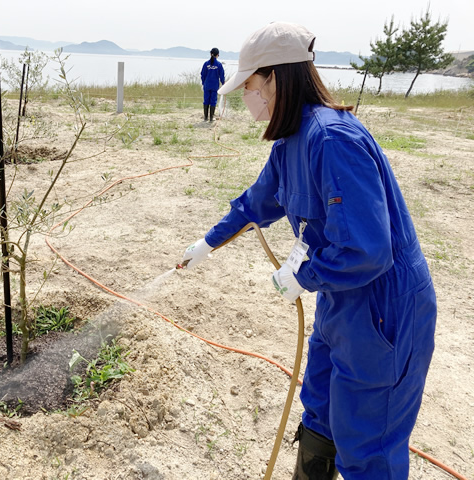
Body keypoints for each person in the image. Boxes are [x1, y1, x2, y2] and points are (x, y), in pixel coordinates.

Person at [181, 22, 436, 480]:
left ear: (276, 78)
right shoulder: (292, 142)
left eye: (252, 87)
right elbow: (257, 202)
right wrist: (207, 243)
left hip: (383, 310)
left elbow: (366, 250)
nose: (248, 99)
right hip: (341, 303)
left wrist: (303, 276)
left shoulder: (332, 140)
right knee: (319, 406)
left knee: (367, 447)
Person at [201, 47, 225, 122]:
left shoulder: (206, 64)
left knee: (206, 100)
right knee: (213, 101)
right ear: (218, 55)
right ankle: (211, 118)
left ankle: (205, 118)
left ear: (210, 54)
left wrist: (203, 83)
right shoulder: (219, 64)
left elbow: (202, 75)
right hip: (214, 86)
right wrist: (223, 83)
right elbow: (222, 75)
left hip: (207, 85)